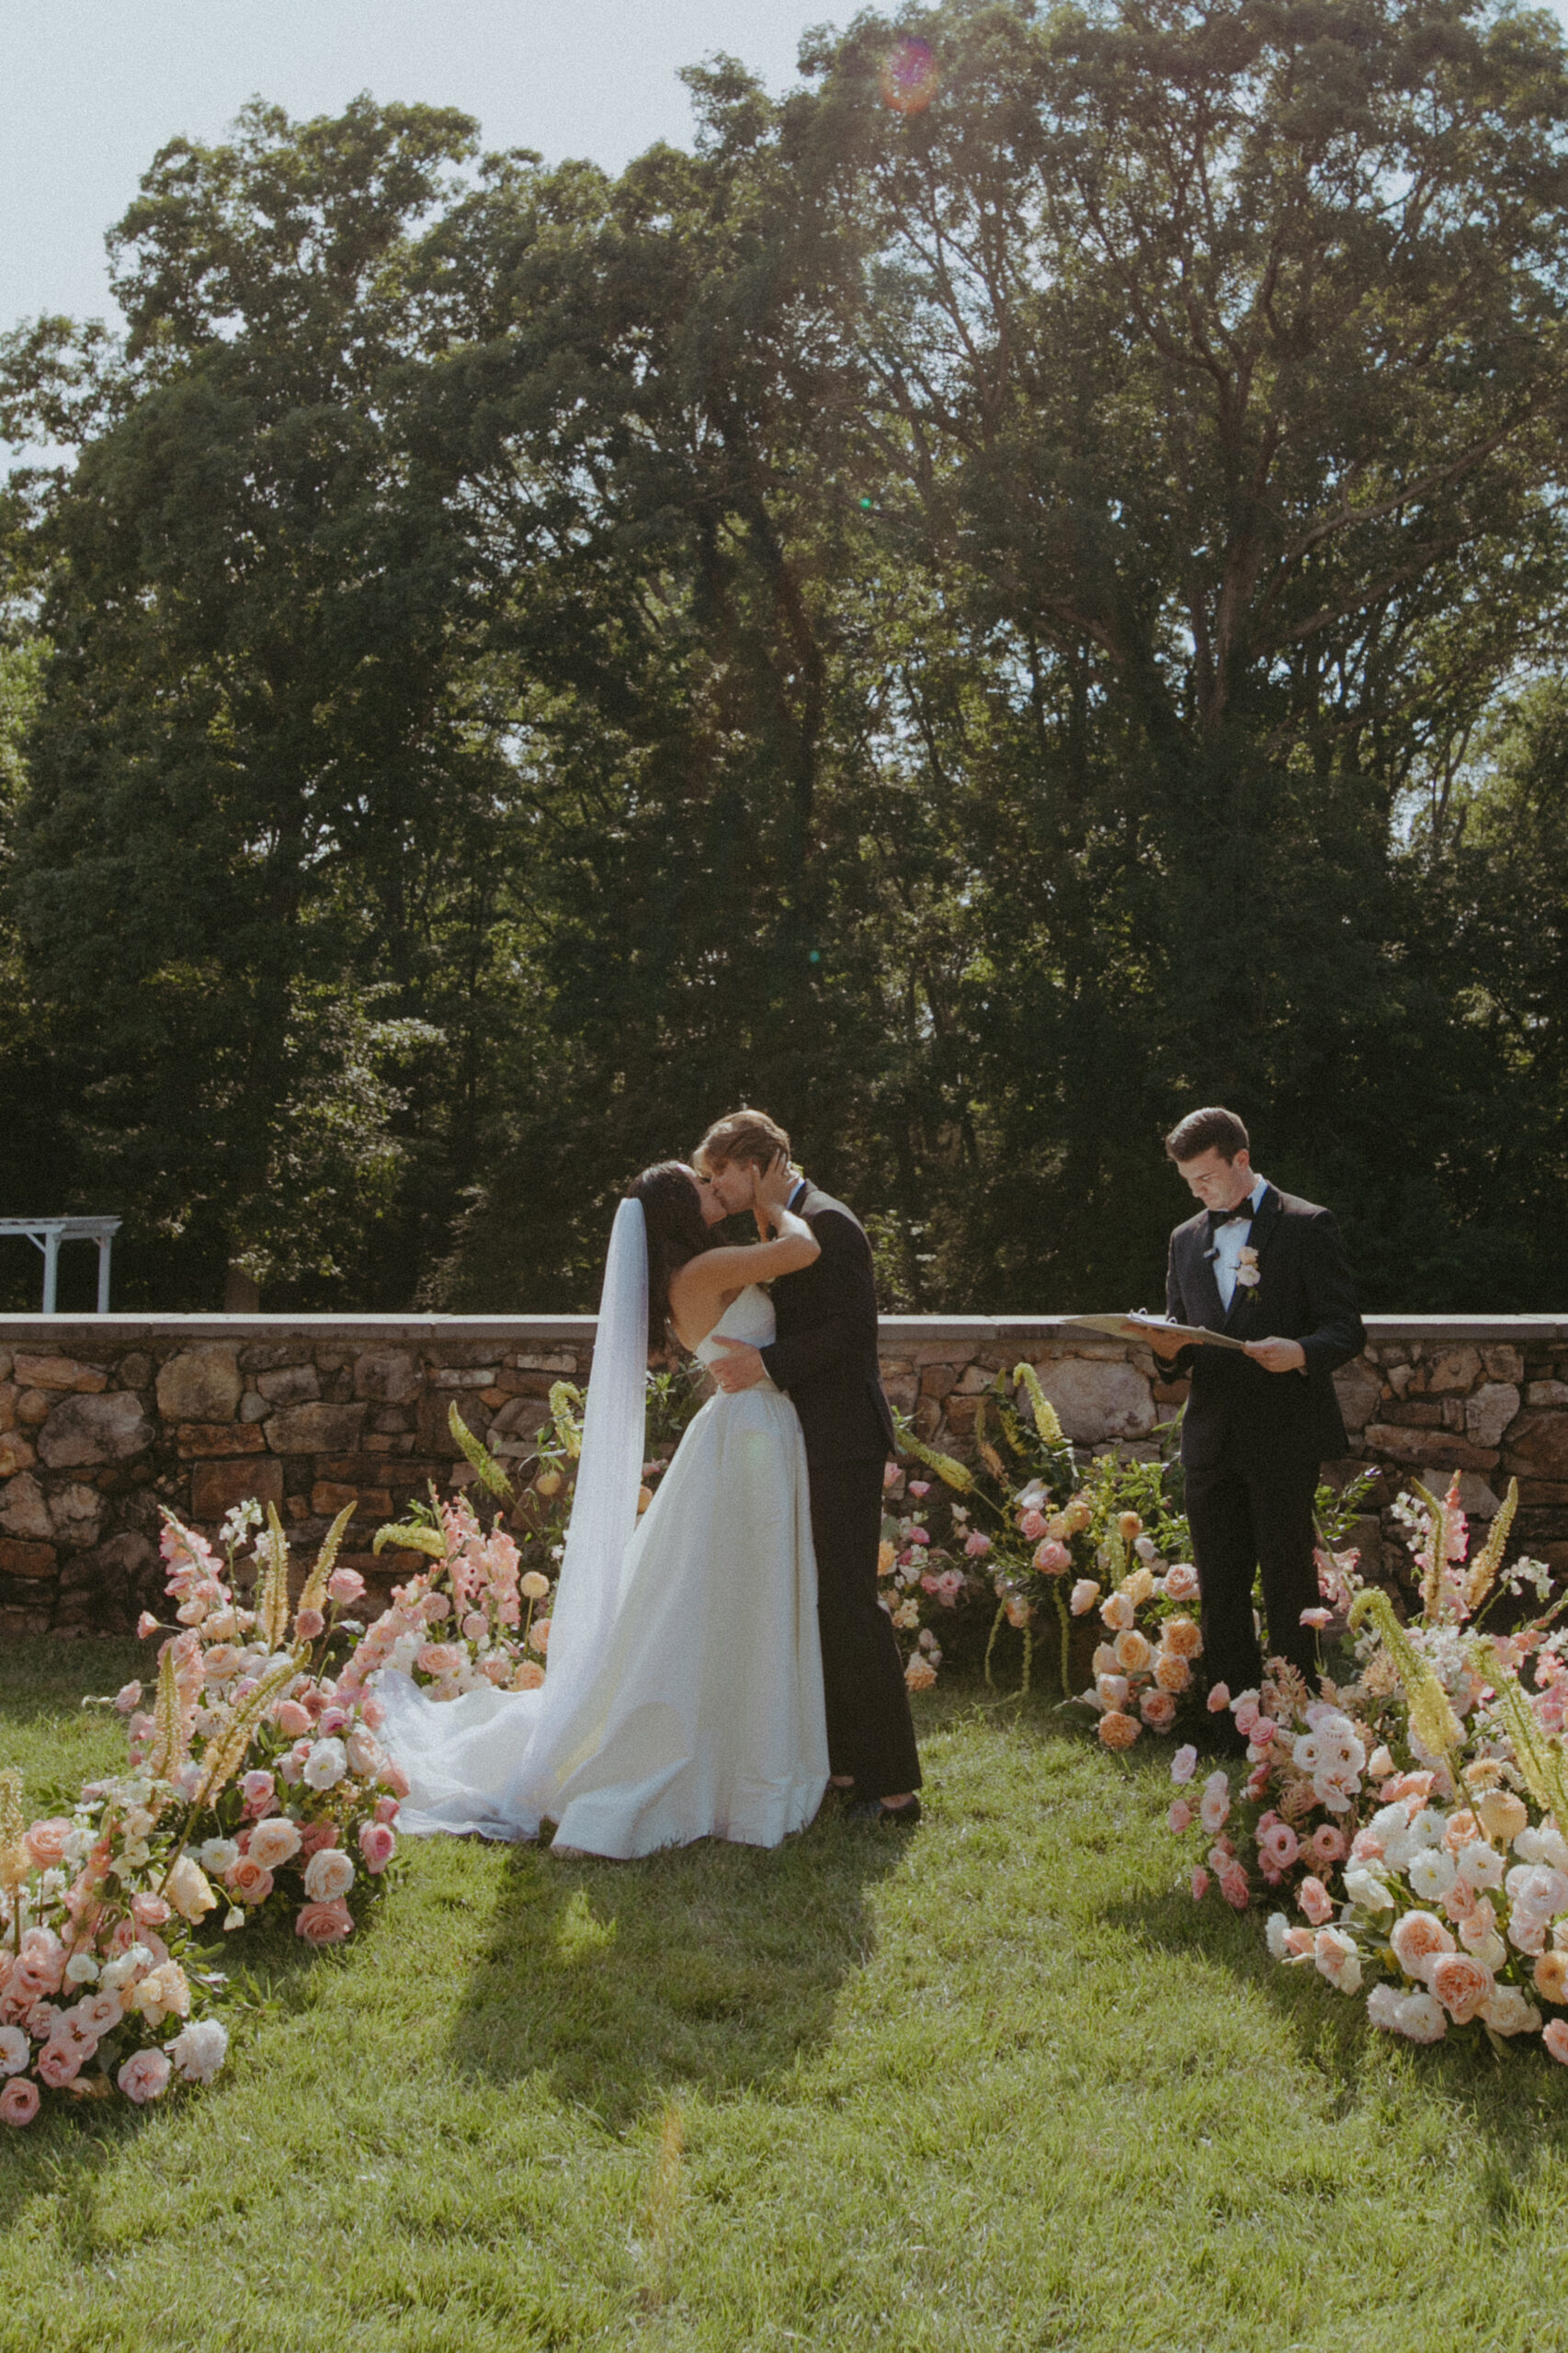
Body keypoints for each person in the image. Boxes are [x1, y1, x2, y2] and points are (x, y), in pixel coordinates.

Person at [377, 1153, 830, 1858]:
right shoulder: (703, 1274)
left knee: (727, 1589)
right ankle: (731, 1760)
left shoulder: (703, 1268)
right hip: (749, 1431)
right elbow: (802, 1249)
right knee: (736, 1586)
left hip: (749, 1430)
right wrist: (775, 1197)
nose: (717, 1190)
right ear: (683, 1213)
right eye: (704, 1187)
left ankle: (745, 1749)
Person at [696, 1108, 922, 1828]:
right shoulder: (774, 1228)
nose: (715, 1188)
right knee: (817, 1603)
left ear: (756, 1164)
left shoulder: (831, 1222)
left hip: (843, 1439)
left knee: (852, 1603)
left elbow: (856, 1333)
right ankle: (846, 1763)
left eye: (720, 1174)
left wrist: (766, 1363)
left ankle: (896, 1789)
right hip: (802, 1438)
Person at [1147, 1106, 1365, 1715]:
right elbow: (1180, 1336)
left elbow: (1346, 1330)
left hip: (1283, 1436)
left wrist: (1298, 1351)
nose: (1197, 1191)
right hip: (1209, 1440)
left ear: (1241, 1160)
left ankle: (1300, 1720)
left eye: (1206, 1178)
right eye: (1188, 1182)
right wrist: (1166, 1352)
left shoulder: (1307, 1225)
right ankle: (1233, 1721)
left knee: (1288, 1583)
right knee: (1219, 1587)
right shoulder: (1186, 1239)